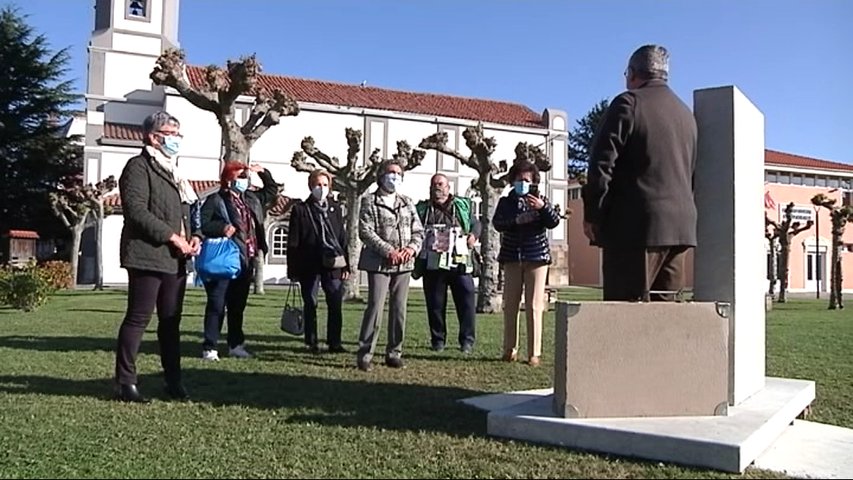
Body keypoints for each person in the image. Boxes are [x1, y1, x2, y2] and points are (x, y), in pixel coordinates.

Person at [581, 44, 698, 302]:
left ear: (633, 73)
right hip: (680, 228)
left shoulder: (628, 103)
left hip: (635, 228)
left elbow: (601, 165)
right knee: (666, 316)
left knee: (626, 316)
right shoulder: (686, 115)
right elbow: (691, 172)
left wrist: (594, 215)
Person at [114, 111, 200, 403]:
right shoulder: (138, 167)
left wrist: (193, 236)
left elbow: (186, 211)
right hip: (146, 254)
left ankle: (173, 381)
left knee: (170, 321)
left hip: (175, 259)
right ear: (154, 136)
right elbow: (137, 210)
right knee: (138, 318)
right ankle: (126, 382)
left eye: (178, 134)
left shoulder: (174, 171)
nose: (176, 139)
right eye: (171, 134)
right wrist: (172, 236)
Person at [199, 160, 279, 360]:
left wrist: (264, 173)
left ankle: (235, 344)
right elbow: (203, 224)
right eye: (240, 176)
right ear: (228, 178)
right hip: (224, 260)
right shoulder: (215, 200)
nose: (244, 180)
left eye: (245, 177)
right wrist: (221, 228)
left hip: (245, 260)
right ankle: (210, 347)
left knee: (237, 306)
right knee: (217, 304)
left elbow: (271, 191)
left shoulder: (250, 198)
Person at [355, 159, 424, 371]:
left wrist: (411, 248)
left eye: (398, 173)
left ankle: (394, 352)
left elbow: (418, 230)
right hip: (379, 263)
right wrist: (388, 251)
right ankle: (365, 354)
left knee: (399, 309)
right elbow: (365, 231)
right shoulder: (369, 201)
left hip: (404, 264)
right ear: (381, 176)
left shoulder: (407, 201)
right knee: (375, 307)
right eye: (390, 172)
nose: (394, 176)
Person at [493, 160, 561, 367]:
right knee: (510, 304)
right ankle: (509, 349)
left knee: (534, 305)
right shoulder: (506, 203)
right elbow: (497, 224)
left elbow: (554, 221)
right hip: (512, 256)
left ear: (533, 182)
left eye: (526, 180)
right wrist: (516, 221)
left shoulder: (541, 200)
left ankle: (534, 353)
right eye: (519, 179)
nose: (522, 183)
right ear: (512, 181)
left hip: (536, 257)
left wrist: (543, 208)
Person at [414, 173, 480, 354]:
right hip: (433, 264)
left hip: (459, 263)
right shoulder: (422, 209)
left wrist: (473, 236)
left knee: (466, 302)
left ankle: (467, 341)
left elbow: (476, 224)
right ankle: (438, 340)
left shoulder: (463, 205)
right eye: (434, 185)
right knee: (435, 305)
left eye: (441, 184)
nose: (438, 188)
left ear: (448, 187)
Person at [286, 169, 349, 354]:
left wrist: (347, 264)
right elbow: (293, 241)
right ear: (310, 186)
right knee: (310, 303)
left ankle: (334, 342)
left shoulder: (335, 208)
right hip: (309, 263)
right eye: (317, 185)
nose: (321, 188)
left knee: (335, 302)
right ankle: (311, 341)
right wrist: (293, 269)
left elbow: (342, 237)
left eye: (324, 185)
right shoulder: (300, 209)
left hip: (332, 262)